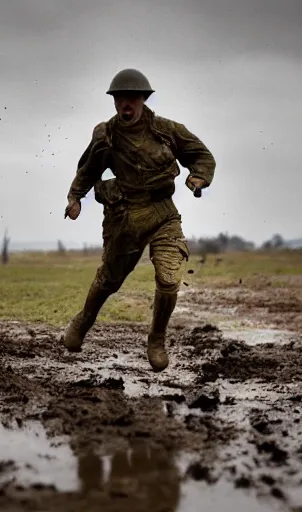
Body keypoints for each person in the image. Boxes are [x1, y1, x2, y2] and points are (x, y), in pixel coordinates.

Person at [62, 68, 215, 372]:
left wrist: (198, 178)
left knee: (169, 280)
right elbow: (88, 170)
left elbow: (201, 155)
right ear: (114, 102)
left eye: (132, 98)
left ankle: (156, 340)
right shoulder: (106, 136)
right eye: (120, 99)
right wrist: (75, 198)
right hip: (126, 219)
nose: (126, 105)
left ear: (143, 100)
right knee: (109, 280)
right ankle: (82, 322)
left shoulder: (167, 130)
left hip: (163, 215)